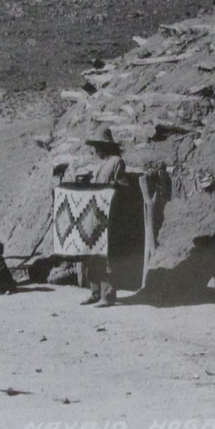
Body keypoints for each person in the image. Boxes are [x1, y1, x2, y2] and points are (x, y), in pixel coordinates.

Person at [77, 127, 129, 307]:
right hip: (95, 217)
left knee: (105, 256)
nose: (95, 151)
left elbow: (124, 187)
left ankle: (108, 295)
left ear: (104, 146)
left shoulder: (117, 162)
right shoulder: (100, 164)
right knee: (93, 255)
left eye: (97, 147)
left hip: (109, 216)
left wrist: (113, 186)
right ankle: (95, 292)